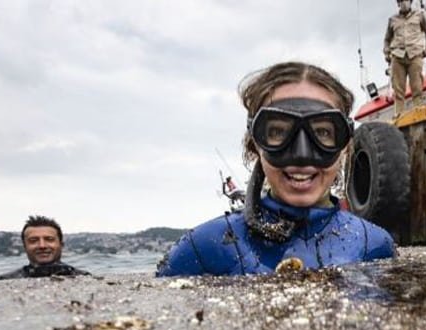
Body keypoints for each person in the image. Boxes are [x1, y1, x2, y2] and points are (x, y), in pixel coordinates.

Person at [156, 62, 396, 277]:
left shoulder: (374, 245)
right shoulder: (204, 247)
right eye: (279, 133)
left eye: (322, 132)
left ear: (344, 145)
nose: (302, 156)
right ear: (255, 145)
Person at [0, 216, 90, 280]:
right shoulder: (5, 281)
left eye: (49, 239)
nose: (42, 246)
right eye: (33, 240)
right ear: (25, 247)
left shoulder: (84, 278)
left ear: (61, 245)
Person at [384, 0, 426, 118]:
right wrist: (387, 53)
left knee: (417, 86)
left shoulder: (419, 16)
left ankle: (418, 110)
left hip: (415, 54)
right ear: (398, 3)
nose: (404, 3)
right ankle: (399, 113)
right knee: (398, 88)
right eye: (401, 1)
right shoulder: (392, 20)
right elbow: (387, 39)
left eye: (406, 0)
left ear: (410, 2)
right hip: (397, 55)